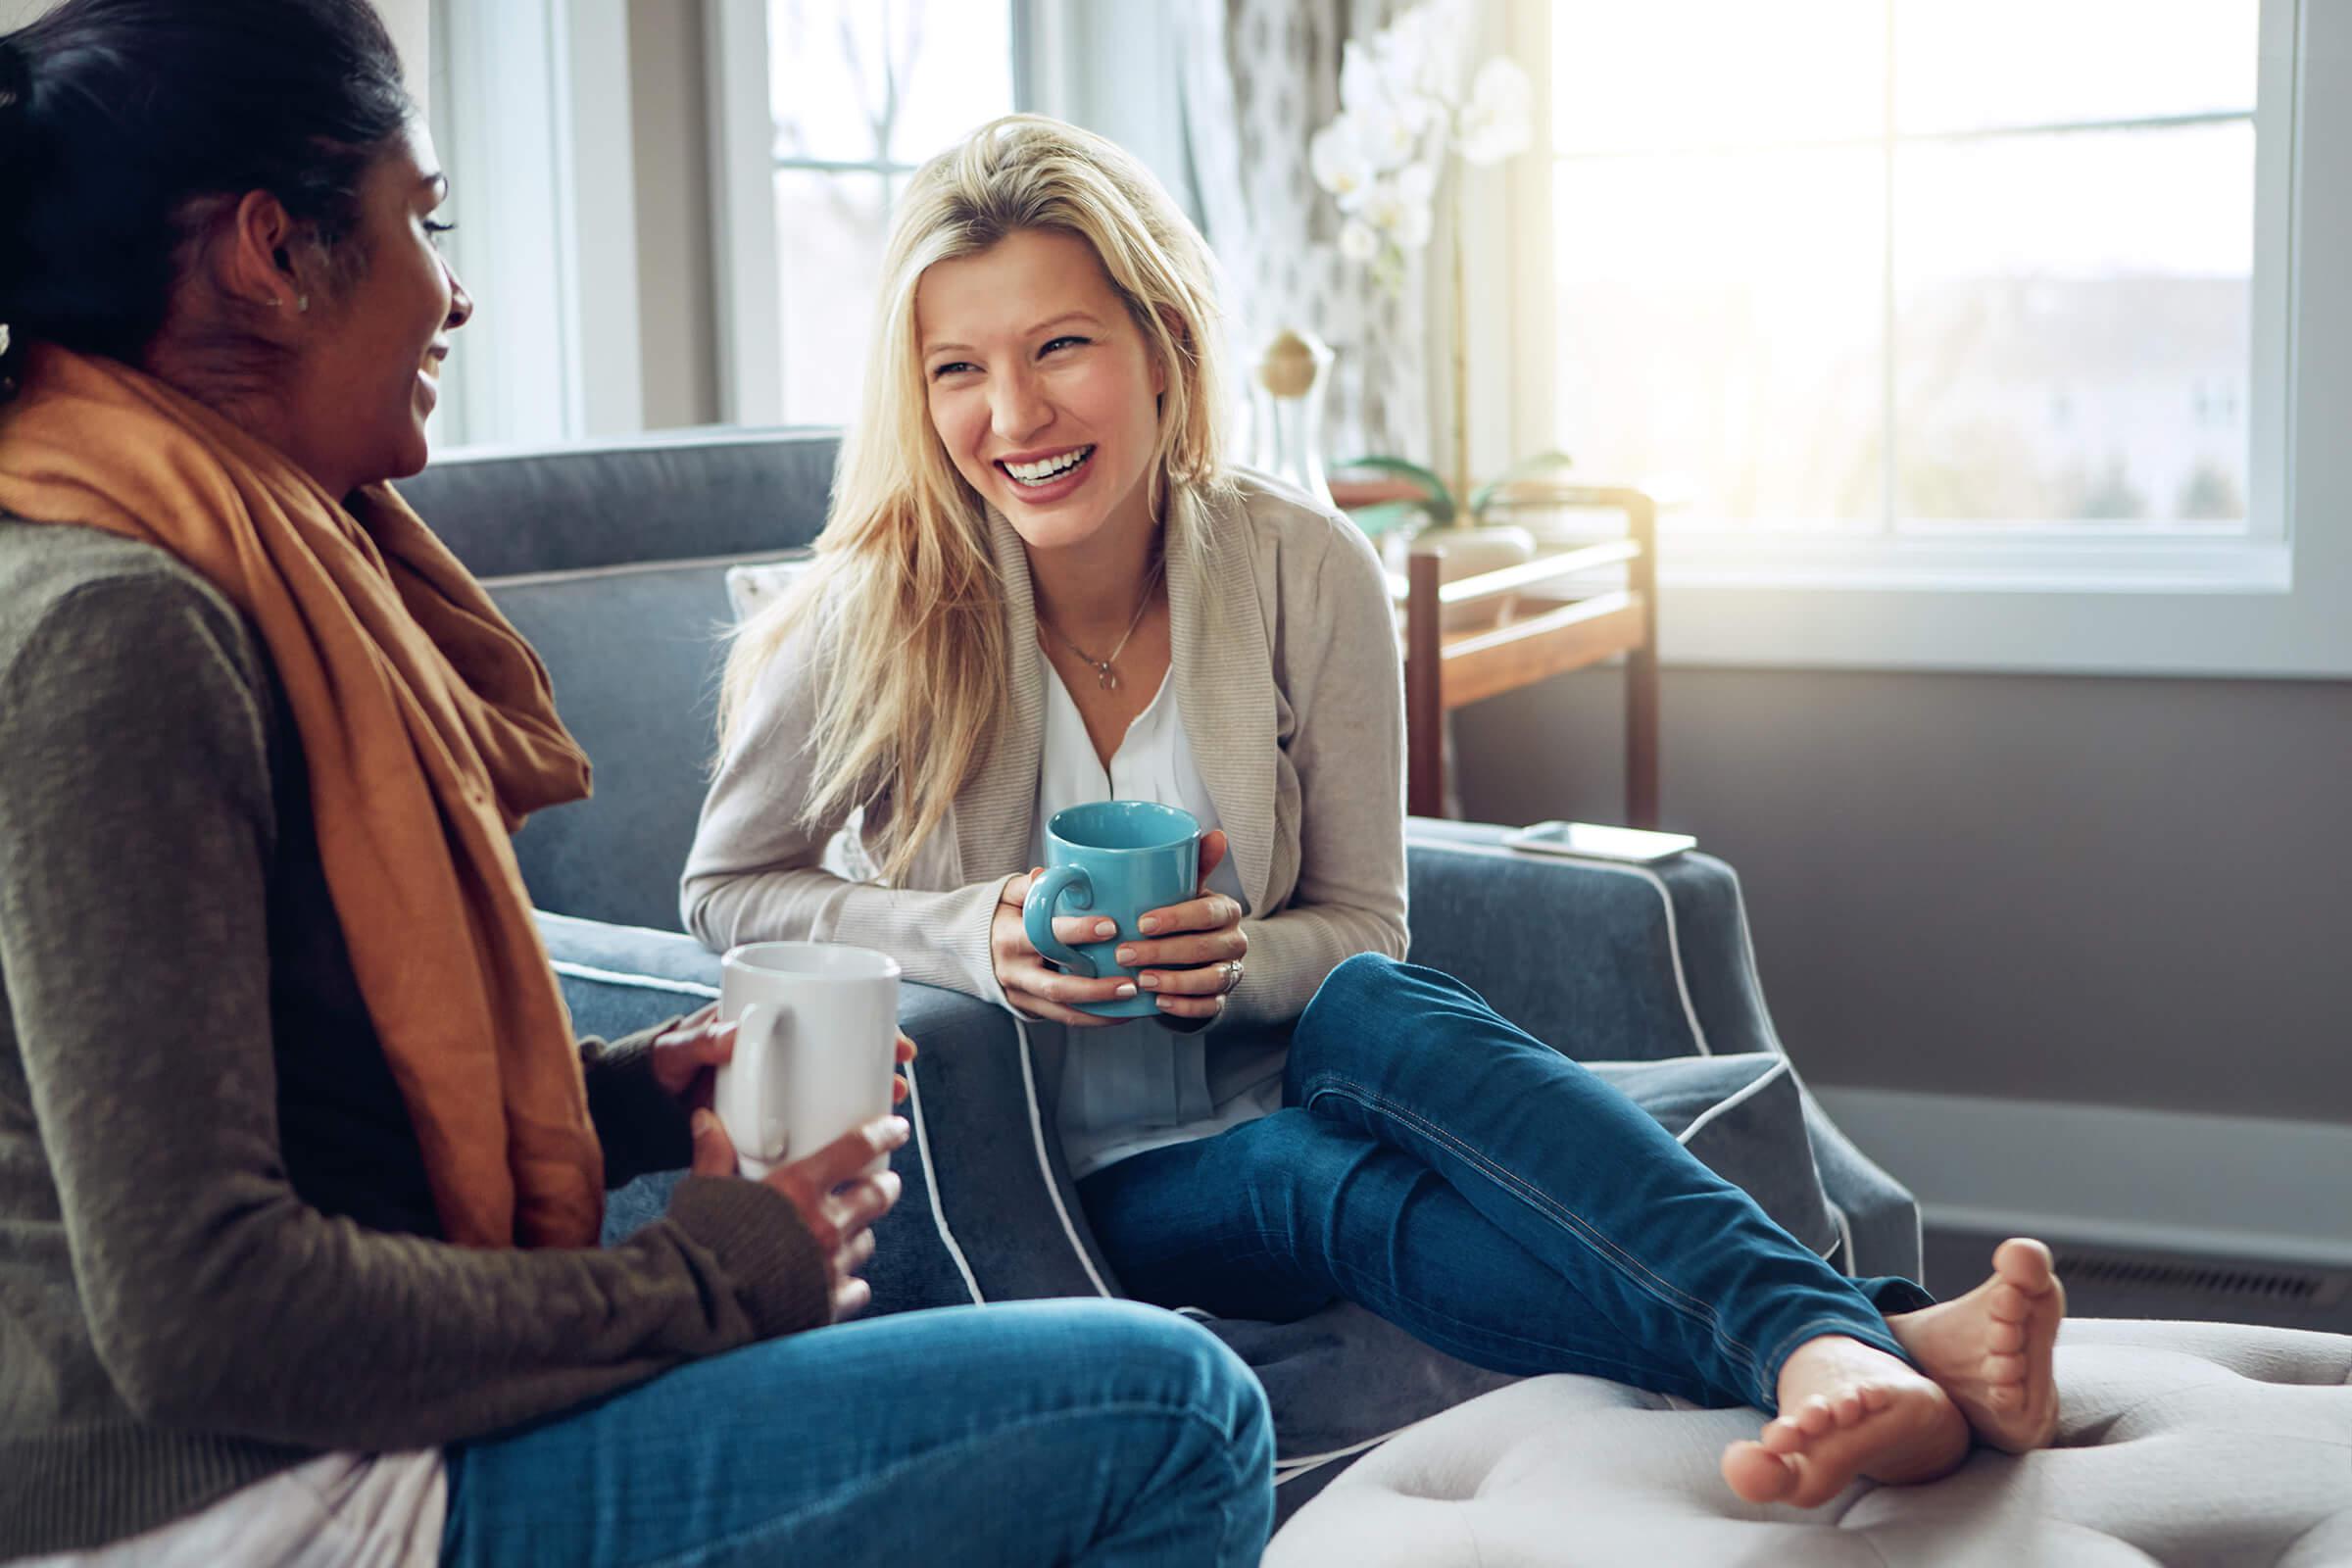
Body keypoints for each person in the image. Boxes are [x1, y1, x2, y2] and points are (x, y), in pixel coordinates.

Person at [0, 8, 1273, 1565]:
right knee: (1178, 1415)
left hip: (313, 1454)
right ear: (271, 251)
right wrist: (712, 1275)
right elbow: (205, 1315)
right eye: (425, 218)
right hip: (244, 1506)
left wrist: (622, 1099)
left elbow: (269, 1103)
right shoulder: (113, 627)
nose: (454, 288)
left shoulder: (199, 569)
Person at [686, 112, 2069, 1510]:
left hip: (1280, 1067)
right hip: (1067, 1171)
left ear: (1161, 346)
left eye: (1059, 348)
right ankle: (1858, 1328)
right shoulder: (881, 603)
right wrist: (966, 932)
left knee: (1376, 1010)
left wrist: (1236, 960)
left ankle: (1841, 1351)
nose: (1016, 416)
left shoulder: (1304, 564)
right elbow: (728, 888)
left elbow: (1364, 923)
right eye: (958, 372)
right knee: (1309, 1178)